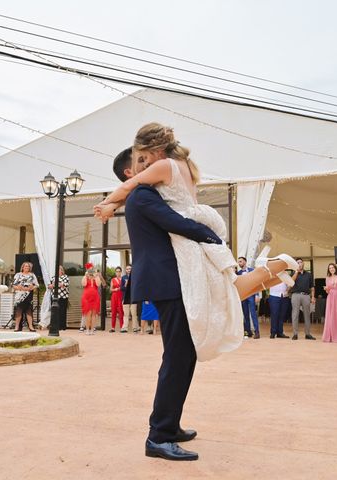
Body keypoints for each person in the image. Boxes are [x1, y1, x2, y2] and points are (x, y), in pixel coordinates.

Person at [94, 125, 297, 361]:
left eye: (144, 156)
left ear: (154, 149)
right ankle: (274, 268)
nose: (144, 163)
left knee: (213, 294)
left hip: (187, 231)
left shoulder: (163, 165)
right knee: (224, 288)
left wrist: (106, 204)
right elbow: (137, 189)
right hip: (197, 219)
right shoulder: (183, 165)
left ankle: (275, 266)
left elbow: (131, 186)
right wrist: (114, 205)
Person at [96, 145, 228, 461]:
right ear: (130, 173)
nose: (150, 163)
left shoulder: (144, 194)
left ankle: (170, 424)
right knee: (178, 357)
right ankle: (159, 436)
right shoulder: (142, 196)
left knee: (182, 355)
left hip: (169, 279)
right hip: (166, 280)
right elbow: (177, 223)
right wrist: (215, 239)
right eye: (140, 161)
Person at [290, 258, 316, 340]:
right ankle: (295, 334)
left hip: (306, 296)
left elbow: (312, 287)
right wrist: (297, 272)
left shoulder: (308, 275)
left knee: (307, 315)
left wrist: (312, 297)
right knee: (295, 315)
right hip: (295, 295)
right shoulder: (294, 273)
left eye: (300, 262)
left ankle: (307, 334)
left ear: (303, 263)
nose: (299, 263)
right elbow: (291, 282)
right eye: (297, 262)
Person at [237, 257, 260, 339]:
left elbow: (256, 283)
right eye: (238, 262)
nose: (239, 263)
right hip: (243, 296)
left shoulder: (252, 270)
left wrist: (257, 295)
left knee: (253, 314)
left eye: (241, 261)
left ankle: (257, 332)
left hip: (251, 295)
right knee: (245, 314)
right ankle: (248, 332)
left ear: (245, 262)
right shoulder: (238, 273)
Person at [322, 263, 337, 343]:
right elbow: (328, 291)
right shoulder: (327, 278)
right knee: (330, 315)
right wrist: (326, 289)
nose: (331, 269)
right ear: (328, 270)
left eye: (332, 267)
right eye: (330, 268)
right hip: (330, 297)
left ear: (335, 268)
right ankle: (330, 336)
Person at [12, 262, 38, 332]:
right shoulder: (18, 274)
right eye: (25, 266)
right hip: (19, 295)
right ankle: (17, 327)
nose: (27, 267)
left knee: (29, 310)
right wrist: (19, 287)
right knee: (19, 310)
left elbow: (36, 285)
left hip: (29, 294)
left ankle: (31, 326)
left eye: (28, 266)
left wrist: (32, 287)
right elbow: (14, 285)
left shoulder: (32, 275)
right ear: (22, 267)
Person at [81, 263, 101, 335]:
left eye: (92, 269)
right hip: (86, 297)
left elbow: (98, 284)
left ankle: (92, 330)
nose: (91, 270)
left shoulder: (96, 276)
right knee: (88, 313)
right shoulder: (85, 276)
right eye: (89, 269)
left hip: (95, 297)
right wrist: (85, 275)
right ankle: (87, 330)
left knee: (94, 314)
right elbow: (84, 284)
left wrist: (96, 276)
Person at [48, 265, 69, 330]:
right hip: (54, 297)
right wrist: (54, 285)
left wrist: (56, 284)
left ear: (62, 270)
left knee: (62, 311)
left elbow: (65, 285)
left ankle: (62, 326)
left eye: (59, 269)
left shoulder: (65, 277)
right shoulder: (53, 277)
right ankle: (55, 326)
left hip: (63, 296)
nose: (58, 271)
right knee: (54, 312)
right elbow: (49, 286)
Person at [121, 265, 138, 333]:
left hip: (133, 298)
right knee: (126, 314)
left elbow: (137, 288)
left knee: (134, 313)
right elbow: (121, 288)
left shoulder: (135, 277)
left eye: (130, 269)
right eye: (127, 269)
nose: (129, 270)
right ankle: (125, 328)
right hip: (125, 298)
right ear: (126, 270)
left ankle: (135, 327)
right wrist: (125, 285)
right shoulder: (123, 278)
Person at [109, 266, 124, 333]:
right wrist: (115, 289)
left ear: (121, 272)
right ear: (115, 272)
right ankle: (113, 327)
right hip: (114, 296)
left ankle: (122, 327)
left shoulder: (123, 279)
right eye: (117, 271)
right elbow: (110, 289)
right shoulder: (113, 279)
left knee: (121, 312)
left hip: (121, 296)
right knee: (114, 312)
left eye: (119, 271)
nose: (118, 273)